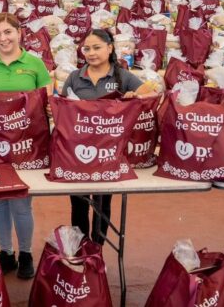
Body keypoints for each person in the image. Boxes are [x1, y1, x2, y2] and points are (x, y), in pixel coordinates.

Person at [0, 12, 53, 279]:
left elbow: (46, 103)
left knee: (21, 203)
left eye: (8, 32)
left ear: (19, 33)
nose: (3, 38)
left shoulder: (35, 64)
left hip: (28, 147)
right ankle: (6, 252)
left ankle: (26, 253)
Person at [61, 29, 155, 246]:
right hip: (78, 153)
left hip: (109, 153)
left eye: (97, 47)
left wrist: (135, 96)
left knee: (103, 202)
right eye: (87, 49)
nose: (91, 53)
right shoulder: (75, 77)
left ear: (110, 48)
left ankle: (98, 247)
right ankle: (82, 246)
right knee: (79, 203)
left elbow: (150, 93)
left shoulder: (123, 76)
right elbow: (64, 107)